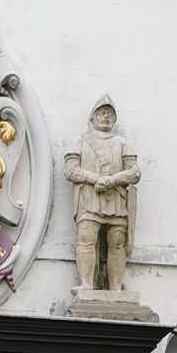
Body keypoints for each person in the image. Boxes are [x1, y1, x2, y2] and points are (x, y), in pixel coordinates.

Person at [64, 95, 141, 292]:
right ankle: (86, 284)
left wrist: (112, 180)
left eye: (110, 114)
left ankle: (115, 287)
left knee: (117, 241)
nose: (106, 117)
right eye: (102, 112)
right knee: (86, 237)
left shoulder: (122, 143)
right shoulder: (80, 141)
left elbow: (134, 172)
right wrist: (96, 179)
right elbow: (71, 170)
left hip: (116, 199)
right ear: (93, 116)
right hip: (90, 198)